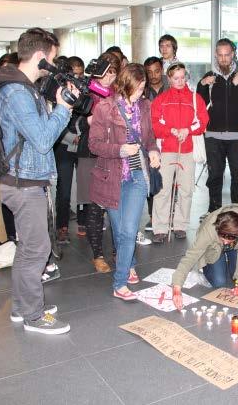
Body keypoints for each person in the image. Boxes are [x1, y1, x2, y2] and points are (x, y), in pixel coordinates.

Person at [0, 27, 75, 335]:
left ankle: (21, 307)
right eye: (52, 59)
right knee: (37, 250)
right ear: (40, 56)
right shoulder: (16, 92)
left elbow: (37, 132)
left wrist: (54, 105)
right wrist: (65, 110)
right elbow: (43, 140)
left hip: (26, 179)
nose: (53, 66)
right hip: (23, 183)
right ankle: (33, 315)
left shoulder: (24, 88)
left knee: (29, 247)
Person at [89, 63, 160, 301]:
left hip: (137, 175)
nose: (141, 93)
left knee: (129, 231)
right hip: (111, 175)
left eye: (143, 89)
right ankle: (128, 263)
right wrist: (120, 149)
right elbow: (94, 144)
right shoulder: (105, 108)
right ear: (125, 85)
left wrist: (153, 151)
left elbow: (149, 138)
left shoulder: (145, 106)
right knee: (119, 231)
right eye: (137, 89)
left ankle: (119, 284)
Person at [151, 62, 209, 243]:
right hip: (167, 150)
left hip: (187, 151)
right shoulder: (161, 99)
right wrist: (171, 130)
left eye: (183, 77)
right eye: (176, 78)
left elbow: (202, 121)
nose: (180, 81)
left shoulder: (195, 98)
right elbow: (155, 123)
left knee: (186, 190)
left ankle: (181, 225)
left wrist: (187, 130)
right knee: (163, 189)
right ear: (169, 79)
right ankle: (160, 227)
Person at [197, 38, 238, 218]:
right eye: (220, 55)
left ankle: (237, 211)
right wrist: (202, 85)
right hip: (213, 136)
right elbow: (199, 104)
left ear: (233, 54)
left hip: (237, 136)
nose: (223, 59)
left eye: (227, 55)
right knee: (215, 175)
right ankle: (213, 210)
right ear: (216, 55)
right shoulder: (209, 77)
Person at [79, 52, 121, 273]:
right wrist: (88, 120)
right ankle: (98, 254)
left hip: (114, 153)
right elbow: (72, 122)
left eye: (113, 74)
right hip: (91, 153)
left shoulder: (117, 93)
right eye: (105, 74)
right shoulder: (85, 90)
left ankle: (117, 250)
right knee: (95, 207)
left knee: (116, 205)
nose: (108, 80)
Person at [172, 204, 238, 310]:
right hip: (214, 248)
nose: (225, 243)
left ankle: (229, 257)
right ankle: (208, 265)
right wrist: (177, 288)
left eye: (228, 240)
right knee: (218, 281)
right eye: (222, 239)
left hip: (236, 247)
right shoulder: (209, 229)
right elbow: (191, 255)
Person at [54, 56, 87, 243]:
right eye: (74, 74)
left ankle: (83, 222)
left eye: (81, 73)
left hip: (83, 145)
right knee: (64, 189)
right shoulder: (58, 91)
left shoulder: (86, 91)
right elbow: (54, 118)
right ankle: (62, 227)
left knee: (84, 186)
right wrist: (70, 137)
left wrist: (82, 135)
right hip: (64, 147)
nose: (78, 77)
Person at [143, 56, 170, 232]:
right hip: (148, 139)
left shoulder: (171, 87)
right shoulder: (142, 90)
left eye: (157, 71)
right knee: (152, 176)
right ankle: (154, 216)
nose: (153, 75)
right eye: (150, 72)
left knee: (169, 178)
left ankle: (168, 215)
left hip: (169, 138)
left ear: (162, 70)